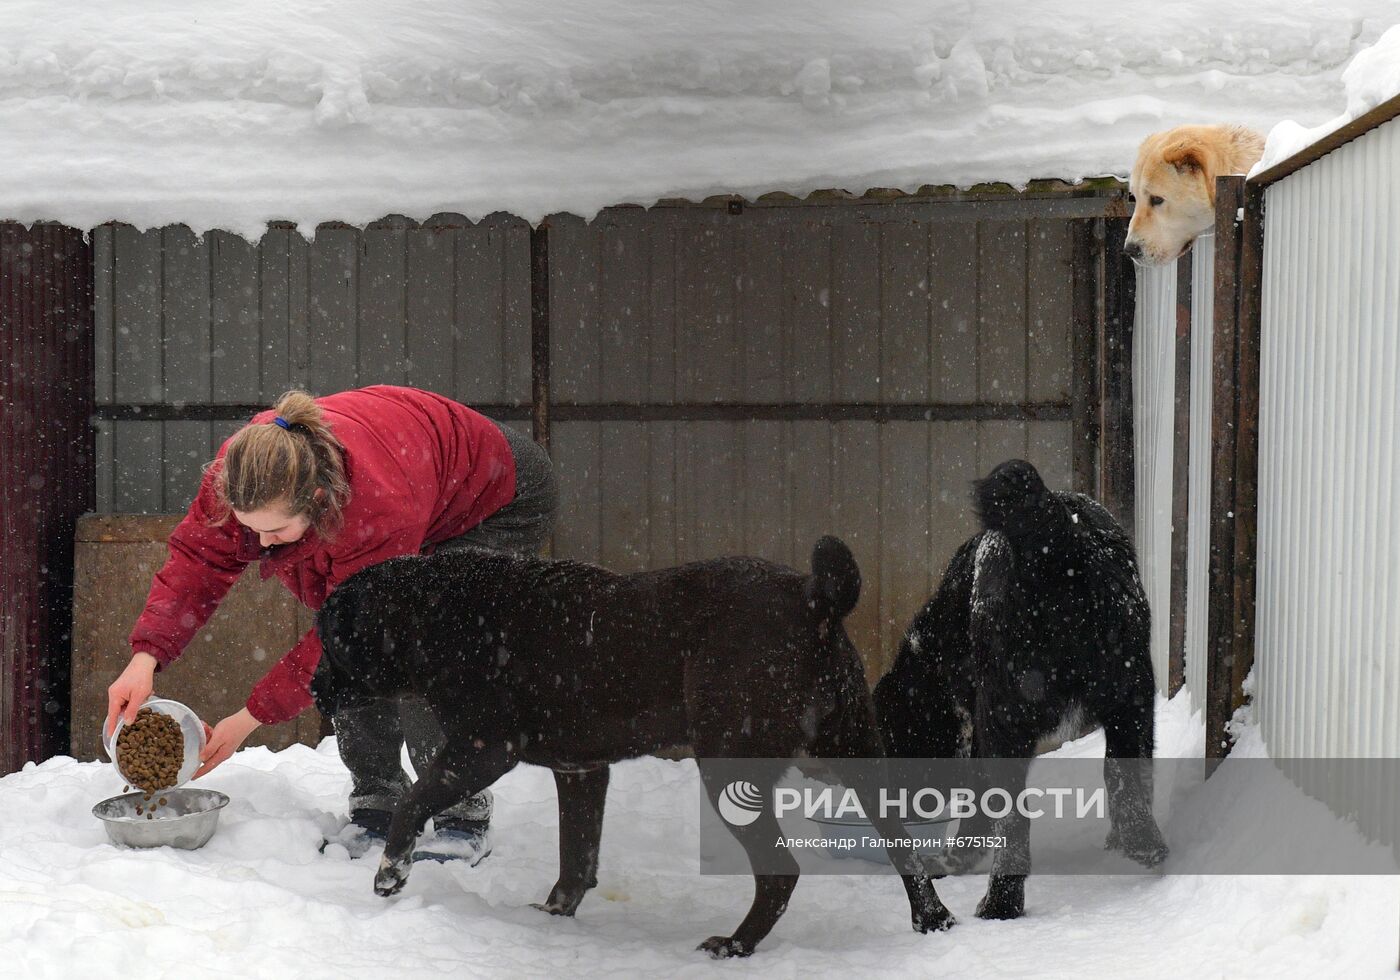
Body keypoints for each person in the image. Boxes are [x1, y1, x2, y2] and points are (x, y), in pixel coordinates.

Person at [104, 385, 558, 863]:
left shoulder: (376, 508)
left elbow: (350, 635)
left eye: (274, 531)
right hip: (410, 475)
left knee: (424, 642)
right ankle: (377, 798)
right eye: (249, 527)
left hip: (495, 499)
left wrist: (248, 718)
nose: (259, 542)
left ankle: (459, 807)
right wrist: (145, 657)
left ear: (318, 498)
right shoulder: (242, 472)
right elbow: (199, 560)